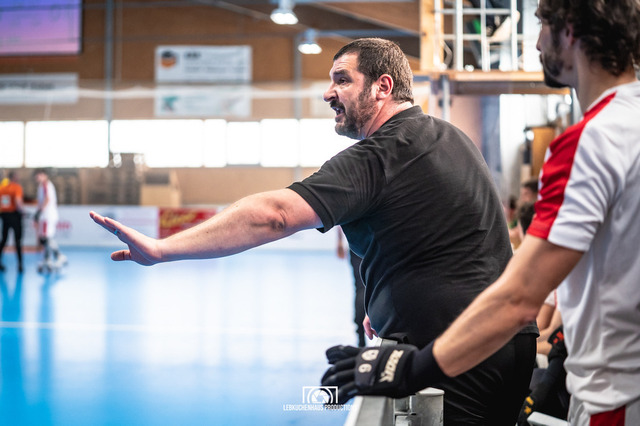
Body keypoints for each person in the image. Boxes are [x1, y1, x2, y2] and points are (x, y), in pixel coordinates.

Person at [90, 38, 536, 424]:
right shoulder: (447, 136)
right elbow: (444, 238)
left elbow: (275, 214)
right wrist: (385, 303)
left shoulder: (382, 154)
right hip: (504, 342)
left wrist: (163, 249)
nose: (328, 93)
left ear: (382, 87)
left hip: (458, 353)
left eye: (342, 80)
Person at [321, 2, 640, 425]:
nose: (537, 43)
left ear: (570, 31)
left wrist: (412, 367)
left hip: (618, 392)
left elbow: (520, 296)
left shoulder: (592, 142)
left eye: (543, 26)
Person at [337, 227, 366, 347]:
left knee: (360, 287)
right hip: (376, 241)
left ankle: (360, 336)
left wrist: (339, 241)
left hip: (357, 243)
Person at [34, 169, 66, 271]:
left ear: (44, 175)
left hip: (47, 216)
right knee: (47, 238)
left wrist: (40, 212)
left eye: (39, 175)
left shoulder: (45, 185)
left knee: (45, 238)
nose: (37, 177)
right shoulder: (45, 186)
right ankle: (56, 256)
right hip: (48, 215)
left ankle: (50, 258)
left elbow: (47, 199)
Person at [0, 171, 24, 273]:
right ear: (14, 177)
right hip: (14, 215)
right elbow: (18, 201)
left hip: (4, 216)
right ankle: (20, 264)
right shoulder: (16, 187)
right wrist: (22, 211)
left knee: (4, 239)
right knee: (17, 240)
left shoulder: (2, 188)